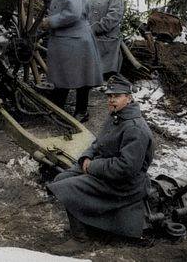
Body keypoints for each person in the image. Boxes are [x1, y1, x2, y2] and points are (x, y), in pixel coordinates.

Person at [48, 73, 154, 254]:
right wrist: (85, 158)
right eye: (110, 96)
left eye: (117, 96)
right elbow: (98, 143)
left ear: (128, 98)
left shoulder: (135, 128)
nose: (112, 100)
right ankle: (86, 224)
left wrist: (92, 167)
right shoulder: (116, 117)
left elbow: (126, 168)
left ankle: (81, 239)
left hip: (124, 184)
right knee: (61, 178)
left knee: (70, 187)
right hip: (107, 174)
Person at [23, 0, 102, 121]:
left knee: (82, 77)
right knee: (62, 75)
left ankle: (81, 111)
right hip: (66, 38)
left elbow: (72, 13)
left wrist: (49, 22)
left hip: (76, 38)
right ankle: (58, 108)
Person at [88, 0, 125, 78]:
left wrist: (93, 29)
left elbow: (112, 18)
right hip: (89, 38)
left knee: (102, 77)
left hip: (105, 42)